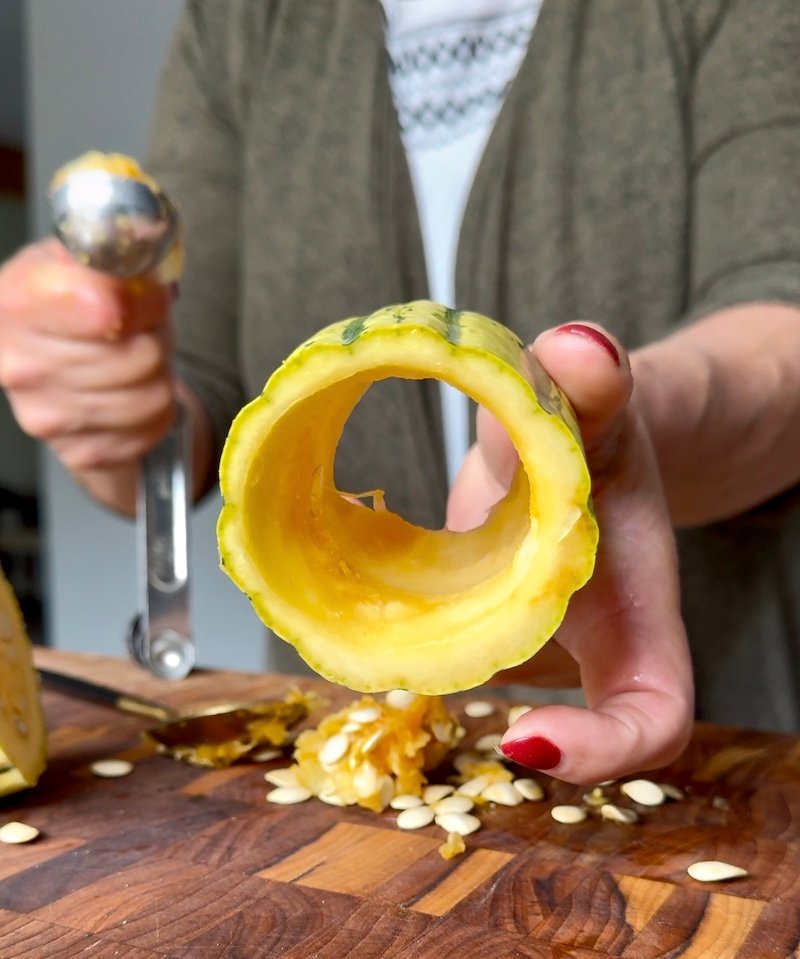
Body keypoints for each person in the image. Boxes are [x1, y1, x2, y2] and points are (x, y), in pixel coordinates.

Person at [1, 0, 799, 785]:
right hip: (354, 762)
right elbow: (188, 404)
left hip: (724, 754)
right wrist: (99, 390)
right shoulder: (242, 19)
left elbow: (780, 305)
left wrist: (614, 421)